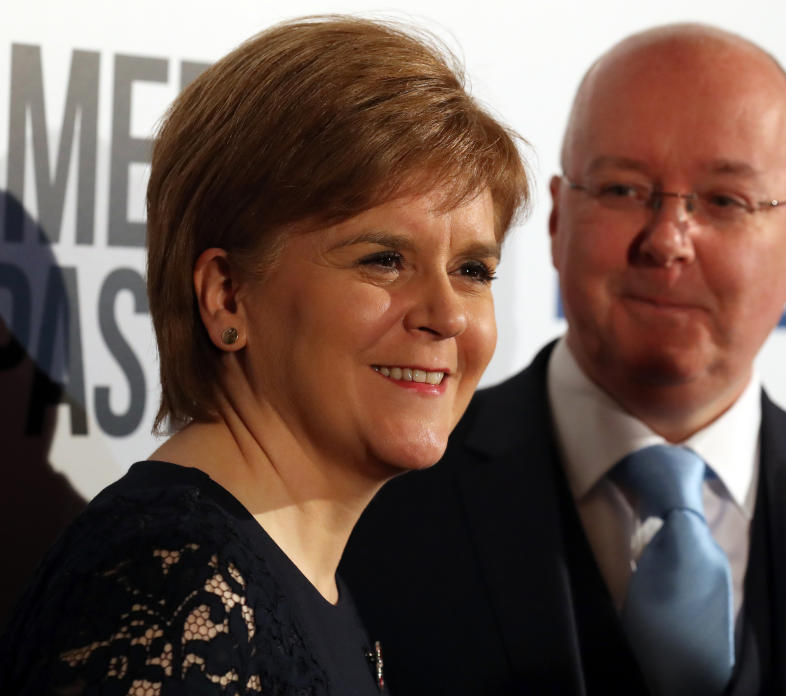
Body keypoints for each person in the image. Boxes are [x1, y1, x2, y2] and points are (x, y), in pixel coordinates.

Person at [340, 23, 786, 696]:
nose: (667, 241)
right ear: (555, 222)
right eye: (623, 190)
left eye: (725, 201)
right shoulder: (365, 497)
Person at [0, 15, 528, 694]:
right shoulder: (174, 585)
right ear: (227, 296)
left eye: (473, 270)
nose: (447, 314)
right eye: (385, 259)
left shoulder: (290, 575)